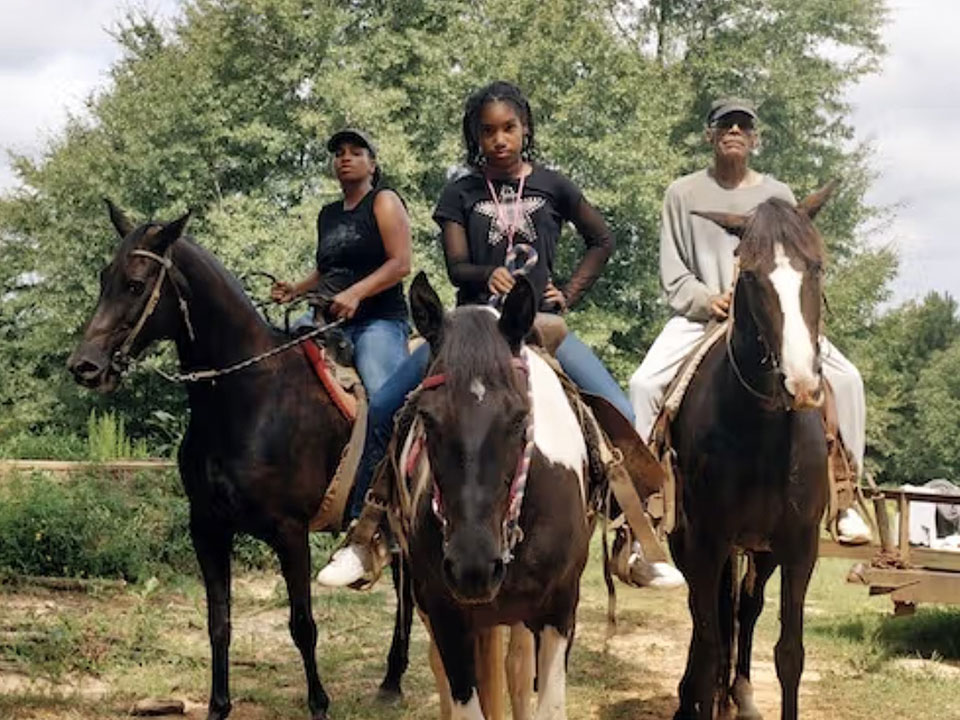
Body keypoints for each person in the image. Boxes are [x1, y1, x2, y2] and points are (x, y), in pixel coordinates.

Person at [317, 81, 684, 588]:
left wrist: (569, 292)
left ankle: (632, 538)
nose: (499, 139)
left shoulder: (554, 185)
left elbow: (602, 239)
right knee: (384, 408)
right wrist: (482, 274)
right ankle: (367, 536)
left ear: (525, 129)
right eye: (488, 131)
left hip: (539, 326)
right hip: (468, 331)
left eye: (508, 128)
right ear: (476, 136)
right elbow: (454, 266)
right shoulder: (460, 192)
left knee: (615, 407)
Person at [628, 97, 871, 545]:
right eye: (725, 125)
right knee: (644, 384)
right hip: (704, 317)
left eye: (743, 125)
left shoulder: (778, 195)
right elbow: (673, 271)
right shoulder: (681, 193)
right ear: (710, 135)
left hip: (773, 319)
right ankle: (645, 503)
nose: (734, 131)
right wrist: (706, 299)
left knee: (849, 381)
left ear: (755, 138)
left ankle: (845, 496)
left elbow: (793, 262)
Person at [271, 128, 411, 397]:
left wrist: (356, 293)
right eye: (339, 154)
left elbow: (401, 264)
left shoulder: (383, 200)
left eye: (356, 153)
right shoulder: (328, 214)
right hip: (323, 320)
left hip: (377, 321)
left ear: (372, 165)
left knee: (383, 395)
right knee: (272, 360)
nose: (345, 158)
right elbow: (327, 269)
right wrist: (296, 290)